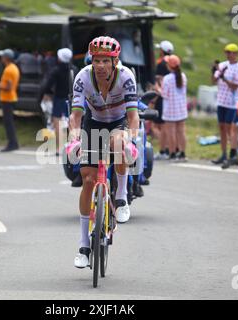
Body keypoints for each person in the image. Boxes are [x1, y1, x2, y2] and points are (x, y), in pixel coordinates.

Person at [68, 36, 139, 268]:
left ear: (114, 62)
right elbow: (76, 116)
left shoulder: (126, 77)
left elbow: (133, 117)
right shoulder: (82, 78)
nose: (100, 66)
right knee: (88, 179)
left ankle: (121, 198)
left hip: (119, 122)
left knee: (118, 143)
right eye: (96, 60)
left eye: (105, 61)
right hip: (93, 123)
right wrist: (74, 137)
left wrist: (131, 137)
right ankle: (83, 246)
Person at [211, 43, 238, 167]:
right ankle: (223, 154)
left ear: (236, 54)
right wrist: (215, 71)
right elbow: (213, 80)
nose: (229, 55)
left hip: (232, 103)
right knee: (222, 129)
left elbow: (235, 86)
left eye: (231, 52)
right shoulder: (222, 65)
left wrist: (224, 78)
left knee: (229, 128)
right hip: (221, 101)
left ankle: (233, 154)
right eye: (227, 52)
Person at [39, 48, 78, 156]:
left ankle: (59, 148)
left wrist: (46, 93)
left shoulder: (56, 70)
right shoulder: (74, 69)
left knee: (58, 123)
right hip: (73, 99)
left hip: (59, 98)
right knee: (73, 122)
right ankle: (74, 145)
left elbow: (47, 85)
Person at [0, 49, 20, 152]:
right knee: (9, 122)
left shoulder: (8, 70)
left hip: (7, 99)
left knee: (8, 123)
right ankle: (13, 143)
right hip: (12, 97)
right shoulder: (14, 68)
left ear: (6, 58)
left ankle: (12, 143)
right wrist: (0, 83)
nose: (1, 58)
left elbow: (8, 87)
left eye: (3, 56)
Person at [161, 55, 188, 161]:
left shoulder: (167, 79)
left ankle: (172, 153)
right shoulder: (183, 76)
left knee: (171, 132)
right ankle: (182, 153)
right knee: (181, 132)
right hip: (181, 109)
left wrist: (158, 89)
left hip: (170, 110)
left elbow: (165, 95)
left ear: (169, 66)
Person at [153, 40, 174, 160]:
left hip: (162, 97)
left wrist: (156, 95)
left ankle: (163, 149)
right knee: (166, 125)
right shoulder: (173, 63)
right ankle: (167, 148)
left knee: (158, 125)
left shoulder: (161, 64)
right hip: (170, 97)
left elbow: (158, 82)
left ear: (162, 51)